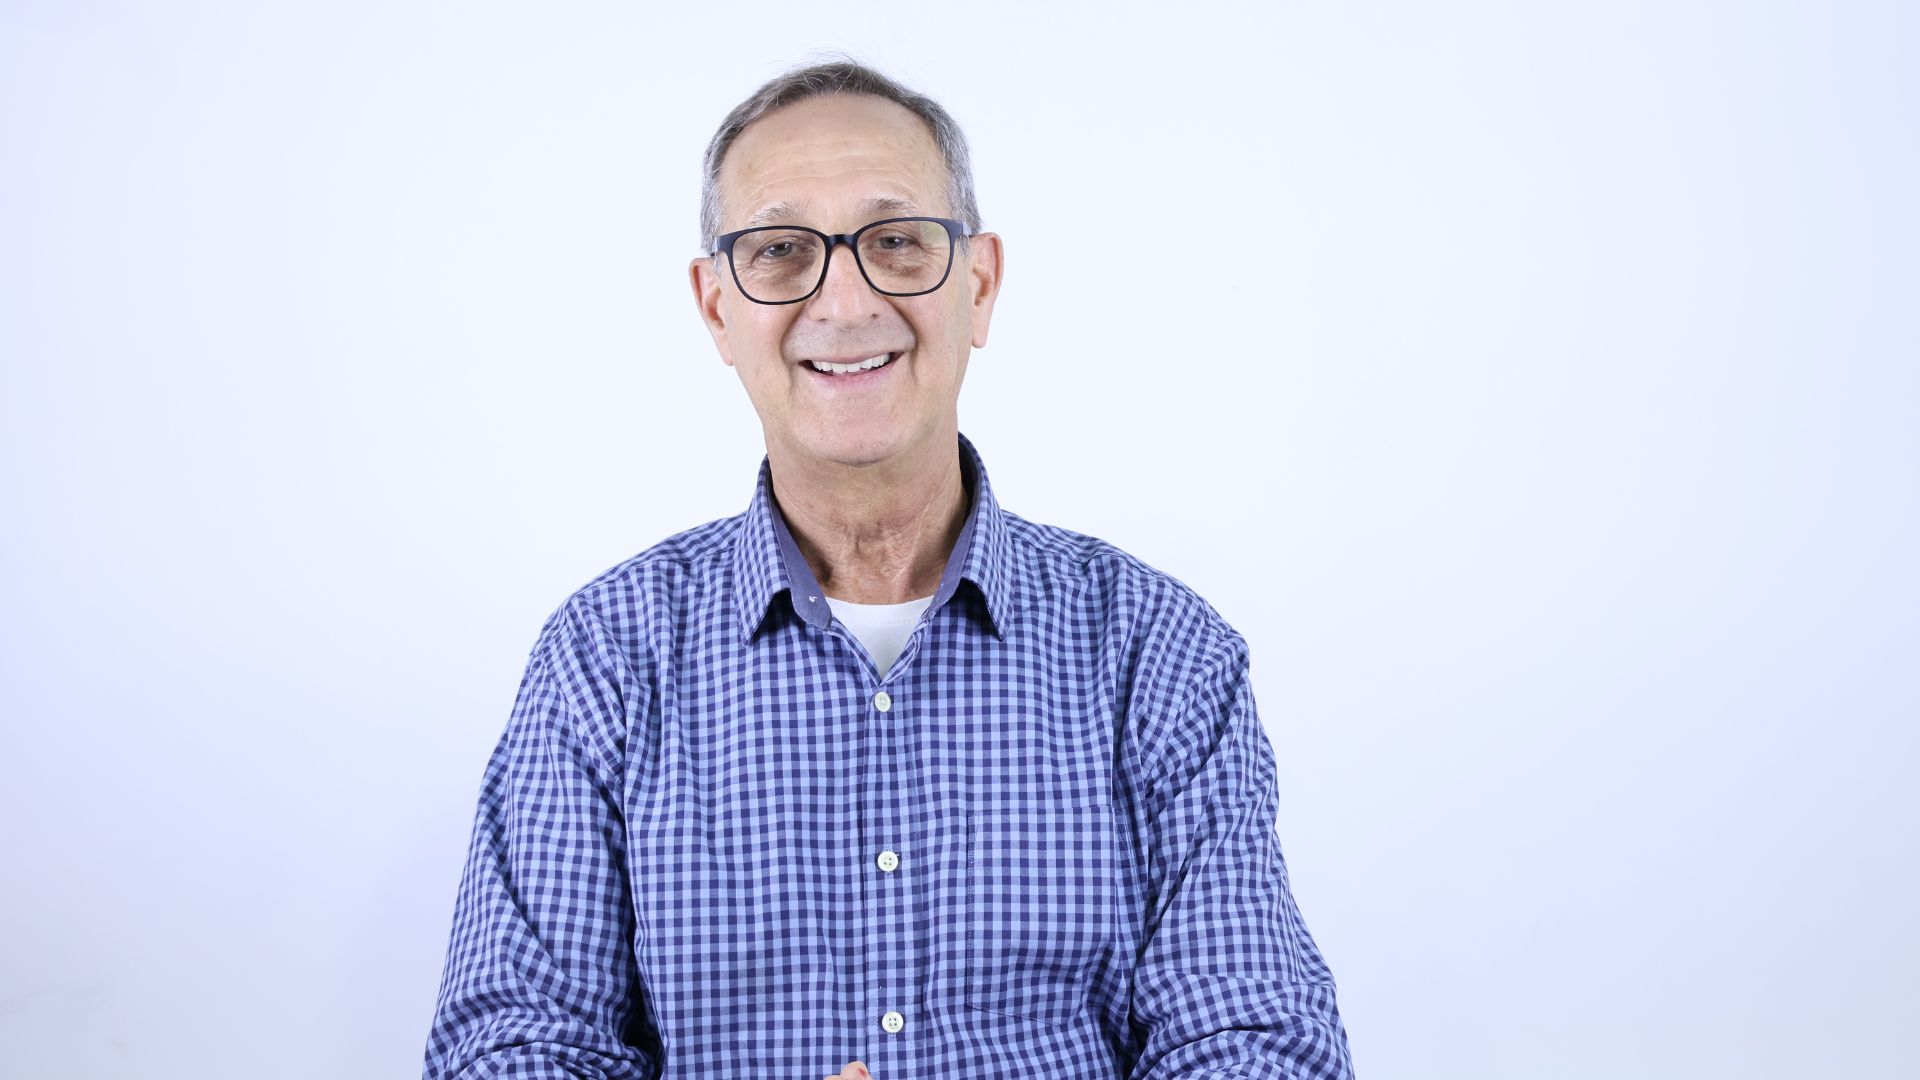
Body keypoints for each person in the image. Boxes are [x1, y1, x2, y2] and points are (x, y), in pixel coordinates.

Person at [421, 57, 1354, 1080]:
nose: (845, 300)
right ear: (717, 308)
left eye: (898, 242)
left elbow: (1257, 1042)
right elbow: (509, 1051)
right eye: (781, 251)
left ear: (979, 286)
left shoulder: (1157, 652)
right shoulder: (604, 659)